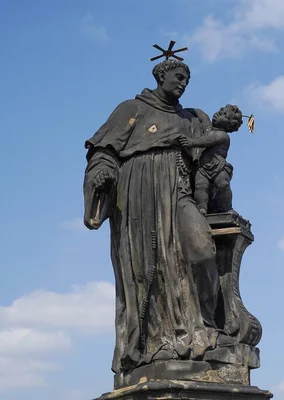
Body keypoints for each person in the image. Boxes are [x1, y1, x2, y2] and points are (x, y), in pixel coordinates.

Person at [82, 59, 223, 375]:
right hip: (140, 194)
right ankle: (151, 344)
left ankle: (204, 327)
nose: (183, 82)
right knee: (149, 270)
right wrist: (102, 173)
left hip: (180, 188)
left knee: (201, 250)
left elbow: (212, 155)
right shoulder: (132, 109)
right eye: (178, 76)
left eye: (187, 78)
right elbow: (103, 151)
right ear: (161, 76)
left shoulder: (192, 118)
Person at [179, 104, 243, 215]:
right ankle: (202, 207)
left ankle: (228, 208)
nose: (220, 113)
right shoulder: (208, 128)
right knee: (200, 186)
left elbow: (208, 140)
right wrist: (188, 111)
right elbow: (202, 115)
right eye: (221, 110)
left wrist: (191, 142)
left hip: (218, 167)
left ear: (229, 125)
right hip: (203, 166)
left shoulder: (223, 136)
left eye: (225, 115)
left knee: (223, 185)